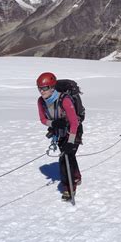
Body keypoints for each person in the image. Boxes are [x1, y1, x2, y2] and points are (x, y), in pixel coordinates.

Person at [36, 72, 82, 201]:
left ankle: (69, 188)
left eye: (44, 88)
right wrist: (54, 123)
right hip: (59, 132)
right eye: (39, 88)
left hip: (74, 131)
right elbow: (43, 119)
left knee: (65, 158)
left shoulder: (65, 100)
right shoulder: (41, 101)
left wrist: (71, 141)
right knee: (68, 156)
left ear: (52, 87)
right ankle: (76, 176)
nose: (41, 91)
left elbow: (74, 122)